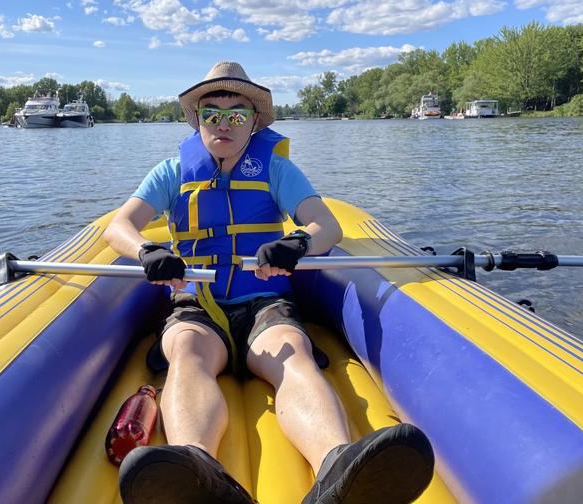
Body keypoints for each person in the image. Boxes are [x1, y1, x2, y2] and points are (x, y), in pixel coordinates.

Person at [103, 61, 434, 504]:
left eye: (236, 114)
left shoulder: (276, 171)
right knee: (186, 352)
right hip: (196, 303)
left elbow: (326, 226)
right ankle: (197, 471)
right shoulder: (170, 173)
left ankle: (336, 470)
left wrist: (297, 243)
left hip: (264, 302)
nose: (224, 124)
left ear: (254, 121)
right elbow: (119, 226)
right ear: (196, 119)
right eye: (211, 114)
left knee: (293, 353)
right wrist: (147, 251)